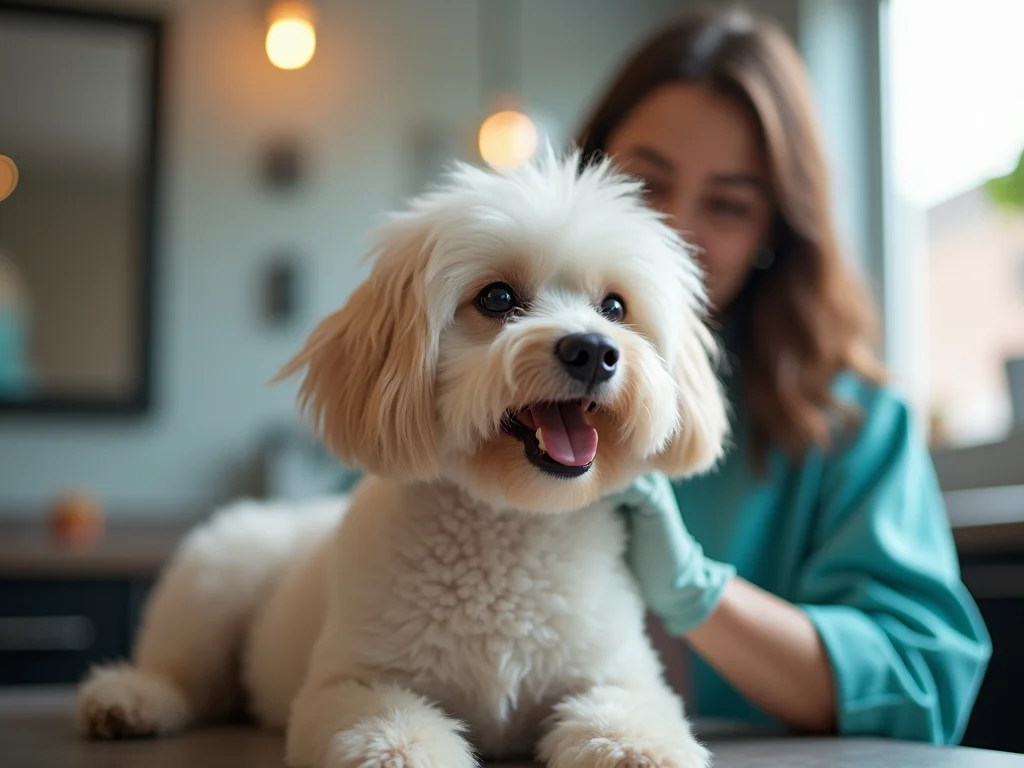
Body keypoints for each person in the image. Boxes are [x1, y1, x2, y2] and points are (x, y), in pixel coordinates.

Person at [582, 9, 991, 744]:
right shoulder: (467, 373)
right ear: (588, 167)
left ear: (773, 231)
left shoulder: (854, 421)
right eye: (644, 181)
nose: (674, 232)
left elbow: (923, 685)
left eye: (728, 205)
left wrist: (696, 593)